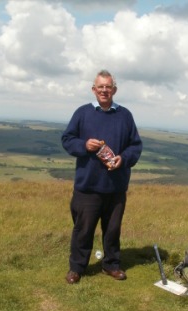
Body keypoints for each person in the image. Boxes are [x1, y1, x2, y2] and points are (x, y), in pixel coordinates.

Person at [61, 69, 143, 284]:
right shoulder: (82, 113)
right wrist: (84, 145)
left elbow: (135, 145)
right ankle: (77, 268)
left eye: (108, 87)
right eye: (100, 87)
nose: (104, 90)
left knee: (113, 230)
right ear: (93, 89)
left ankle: (112, 265)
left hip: (116, 187)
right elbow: (68, 139)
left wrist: (123, 159)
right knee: (82, 230)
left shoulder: (125, 115)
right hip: (87, 186)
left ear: (114, 89)